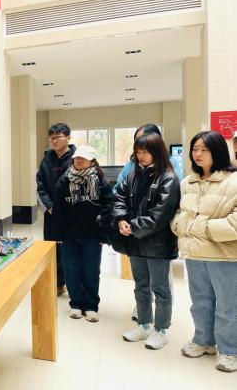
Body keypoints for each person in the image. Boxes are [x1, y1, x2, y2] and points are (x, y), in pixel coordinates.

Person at [171, 131, 237, 372]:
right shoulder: (188, 182)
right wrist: (178, 225)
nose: (197, 154)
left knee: (227, 305)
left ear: (217, 151)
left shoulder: (233, 180)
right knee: (200, 302)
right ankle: (204, 341)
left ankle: (229, 350)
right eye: (195, 149)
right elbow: (179, 213)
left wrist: (202, 228)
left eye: (204, 150)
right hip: (194, 252)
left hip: (223, 255)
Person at [110, 133, 180, 350]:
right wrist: (120, 220)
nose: (140, 156)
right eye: (137, 152)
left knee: (160, 288)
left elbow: (161, 214)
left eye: (145, 152)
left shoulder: (168, 179)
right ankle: (143, 324)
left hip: (158, 245)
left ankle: (161, 330)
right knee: (141, 286)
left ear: (156, 152)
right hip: (135, 242)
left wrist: (133, 226)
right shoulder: (132, 177)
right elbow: (119, 200)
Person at [52, 146, 113, 322]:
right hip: (68, 236)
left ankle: (91, 306)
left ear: (92, 161)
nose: (79, 160)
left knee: (91, 271)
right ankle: (76, 304)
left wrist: (104, 234)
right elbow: (57, 210)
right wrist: (58, 235)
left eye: (84, 158)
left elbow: (109, 207)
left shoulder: (100, 181)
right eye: (77, 157)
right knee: (71, 271)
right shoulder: (64, 181)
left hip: (92, 236)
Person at [37, 123, 76, 297]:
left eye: (58, 137)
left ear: (68, 138)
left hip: (72, 215)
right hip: (52, 215)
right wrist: (50, 207)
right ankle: (58, 283)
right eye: (52, 138)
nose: (54, 141)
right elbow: (40, 187)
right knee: (52, 248)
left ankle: (75, 285)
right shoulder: (46, 161)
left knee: (71, 249)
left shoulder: (77, 158)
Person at [113, 124, 183, 193]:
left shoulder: (170, 163)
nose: (139, 142)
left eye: (143, 138)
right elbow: (118, 191)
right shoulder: (130, 165)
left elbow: (175, 190)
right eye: (136, 140)